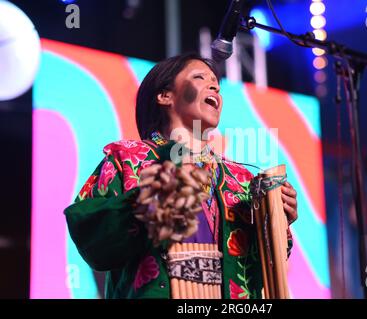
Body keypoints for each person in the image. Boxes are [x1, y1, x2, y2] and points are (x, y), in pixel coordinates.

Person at [64, 53, 298, 299]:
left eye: (216, 85)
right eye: (199, 77)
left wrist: (275, 222)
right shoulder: (128, 159)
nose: (215, 87)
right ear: (165, 96)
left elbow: (263, 272)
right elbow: (92, 238)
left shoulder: (241, 179)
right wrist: (143, 203)